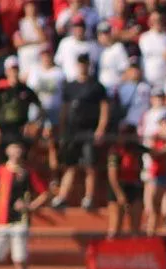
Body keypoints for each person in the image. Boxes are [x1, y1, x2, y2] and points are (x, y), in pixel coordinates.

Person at [53, 53, 110, 211]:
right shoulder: (70, 86)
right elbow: (64, 110)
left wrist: (100, 128)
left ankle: (89, 197)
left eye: (85, 63)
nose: (83, 66)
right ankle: (62, 196)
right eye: (80, 63)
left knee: (90, 164)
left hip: (89, 129)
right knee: (70, 165)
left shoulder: (96, 86)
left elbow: (104, 109)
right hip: (72, 130)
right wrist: (62, 130)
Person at [106, 123, 145, 239]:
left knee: (136, 228)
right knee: (115, 227)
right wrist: (119, 194)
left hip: (134, 185)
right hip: (119, 187)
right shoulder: (115, 151)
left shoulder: (138, 149)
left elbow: (155, 153)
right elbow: (112, 176)